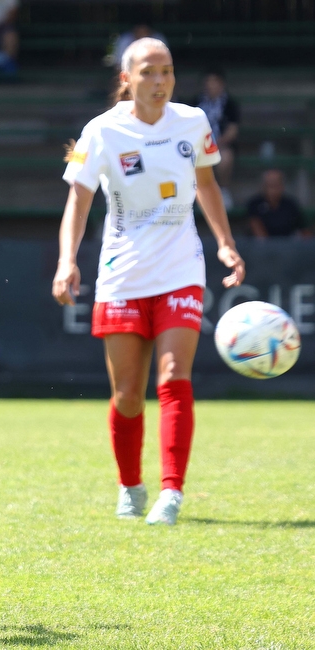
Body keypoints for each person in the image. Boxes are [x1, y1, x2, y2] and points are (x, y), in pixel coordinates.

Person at [52, 38, 246, 526]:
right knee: (127, 394)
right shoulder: (101, 131)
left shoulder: (194, 123)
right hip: (122, 273)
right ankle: (129, 486)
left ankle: (172, 492)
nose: (160, 81)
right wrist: (66, 261)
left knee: (174, 378)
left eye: (167, 71)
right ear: (127, 79)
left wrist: (225, 242)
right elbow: (78, 201)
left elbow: (207, 186)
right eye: (149, 72)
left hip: (182, 267)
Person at [195, 69, 240, 209]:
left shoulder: (230, 104)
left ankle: (223, 191)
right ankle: (196, 196)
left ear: (222, 84)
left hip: (221, 144)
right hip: (197, 145)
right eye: (208, 82)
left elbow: (233, 130)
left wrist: (215, 144)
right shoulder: (196, 102)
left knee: (225, 157)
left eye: (215, 82)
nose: (211, 85)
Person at [247, 169, 309, 239]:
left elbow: (304, 231)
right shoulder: (255, 204)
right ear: (263, 186)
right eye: (270, 185)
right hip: (263, 248)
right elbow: (259, 233)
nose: (273, 190)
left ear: (282, 186)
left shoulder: (291, 204)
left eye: (276, 185)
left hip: (289, 246)